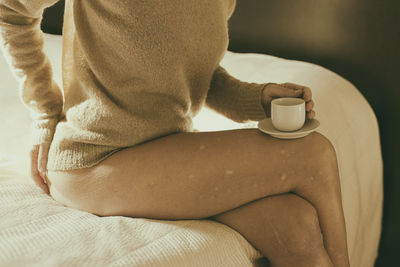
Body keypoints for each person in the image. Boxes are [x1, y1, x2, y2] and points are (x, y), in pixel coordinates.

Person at [0, 0, 350, 266]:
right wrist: (45, 112)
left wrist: (258, 97)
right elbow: (10, 10)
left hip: (166, 154)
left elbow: (196, 75)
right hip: (96, 160)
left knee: (296, 224)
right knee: (311, 152)